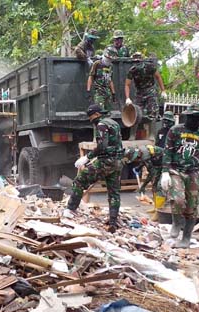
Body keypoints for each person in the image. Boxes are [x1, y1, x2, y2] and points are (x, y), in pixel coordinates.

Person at [160, 103, 199, 248]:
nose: (195, 120)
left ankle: (186, 238)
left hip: (195, 172)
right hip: (176, 170)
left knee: (192, 206)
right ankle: (177, 222)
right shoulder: (175, 130)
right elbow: (167, 152)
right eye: (192, 117)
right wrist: (164, 172)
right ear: (187, 117)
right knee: (178, 200)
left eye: (198, 117)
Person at [64, 104, 124, 233]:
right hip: (117, 162)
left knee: (80, 180)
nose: (90, 120)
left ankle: (70, 210)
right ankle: (113, 221)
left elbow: (102, 146)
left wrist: (87, 157)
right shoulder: (113, 123)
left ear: (96, 114)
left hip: (105, 162)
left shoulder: (101, 125)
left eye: (91, 116)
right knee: (114, 192)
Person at [122, 145, 164, 221]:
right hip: (156, 165)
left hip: (164, 165)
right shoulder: (141, 152)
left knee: (158, 187)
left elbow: (151, 173)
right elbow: (143, 161)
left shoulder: (145, 155)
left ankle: (159, 212)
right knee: (154, 187)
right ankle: (155, 207)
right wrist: (139, 168)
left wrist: (143, 186)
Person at [124, 52, 167, 121]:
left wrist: (163, 90)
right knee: (137, 114)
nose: (137, 63)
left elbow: (158, 77)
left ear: (142, 60)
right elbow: (127, 84)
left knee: (153, 112)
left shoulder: (150, 67)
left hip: (150, 90)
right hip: (139, 92)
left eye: (138, 61)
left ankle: (152, 127)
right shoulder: (132, 70)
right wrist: (127, 98)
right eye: (135, 61)